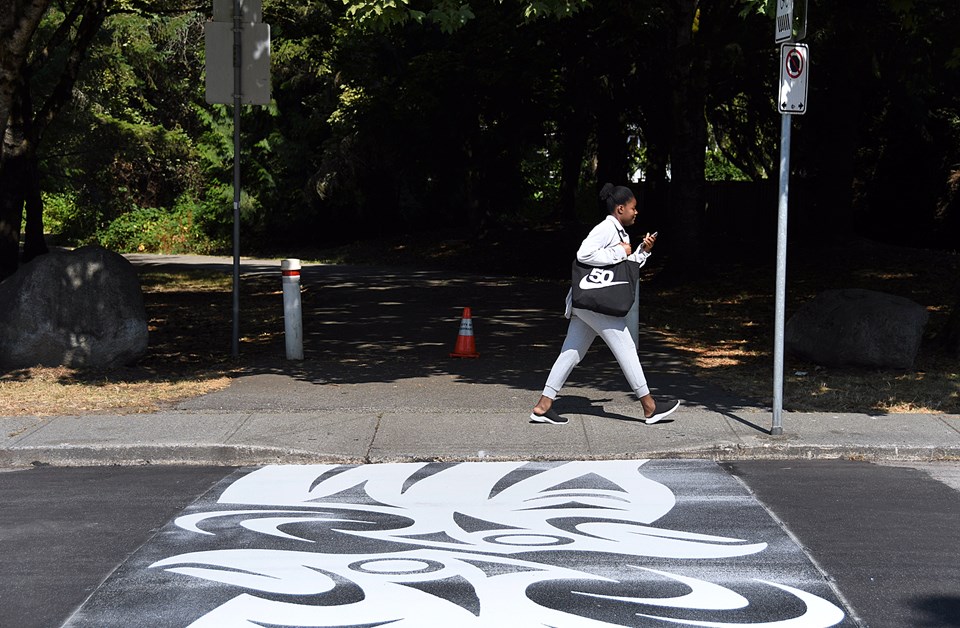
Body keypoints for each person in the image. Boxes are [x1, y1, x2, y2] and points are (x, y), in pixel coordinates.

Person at [530, 183, 680, 426]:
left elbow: (622, 272)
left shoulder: (620, 232)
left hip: (589, 302)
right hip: (594, 303)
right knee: (626, 348)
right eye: (633, 208)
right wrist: (619, 253)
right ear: (620, 208)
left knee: (571, 353)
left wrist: (642, 251)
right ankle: (650, 406)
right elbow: (584, 254)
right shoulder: (606, 228)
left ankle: (542, 406)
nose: (636, 212)